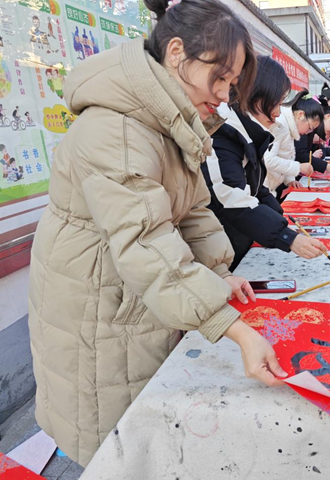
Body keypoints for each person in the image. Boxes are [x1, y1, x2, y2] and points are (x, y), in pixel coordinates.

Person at [27, 0, 287, 467]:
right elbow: (148, 242)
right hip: (99, 306)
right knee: (114, 443)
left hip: (132, 294)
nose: (226, 94)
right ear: (175, 54)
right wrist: (236, 331)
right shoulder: (119, 130)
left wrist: (216, 273)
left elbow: (191, 210)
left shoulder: (169, 119)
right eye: (221, 77)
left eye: (233, 83)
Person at [203, 56, 325, 268]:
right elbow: (232, 198)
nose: (277, 114)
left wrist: (281, 219)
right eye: (274, 103)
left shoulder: (248, 131)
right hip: (216, 240)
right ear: (254, 94)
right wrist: (287, 237)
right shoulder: (221, 132)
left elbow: (256, 187)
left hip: (240, 231)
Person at [263, 90, 323, 195]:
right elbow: (269, 160)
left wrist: (289, 179)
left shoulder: (289, 127)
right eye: (310, 128)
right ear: (300, 115)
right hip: (263, 186)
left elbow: (284, 156)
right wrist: (299, 167)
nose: (308, 132)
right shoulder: (280, 125)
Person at [294, 104, 330, 172]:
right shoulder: (306, 125)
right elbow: (300, 155)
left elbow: (322, 151)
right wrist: (324, 166)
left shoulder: (316, 130)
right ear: (328, 116)